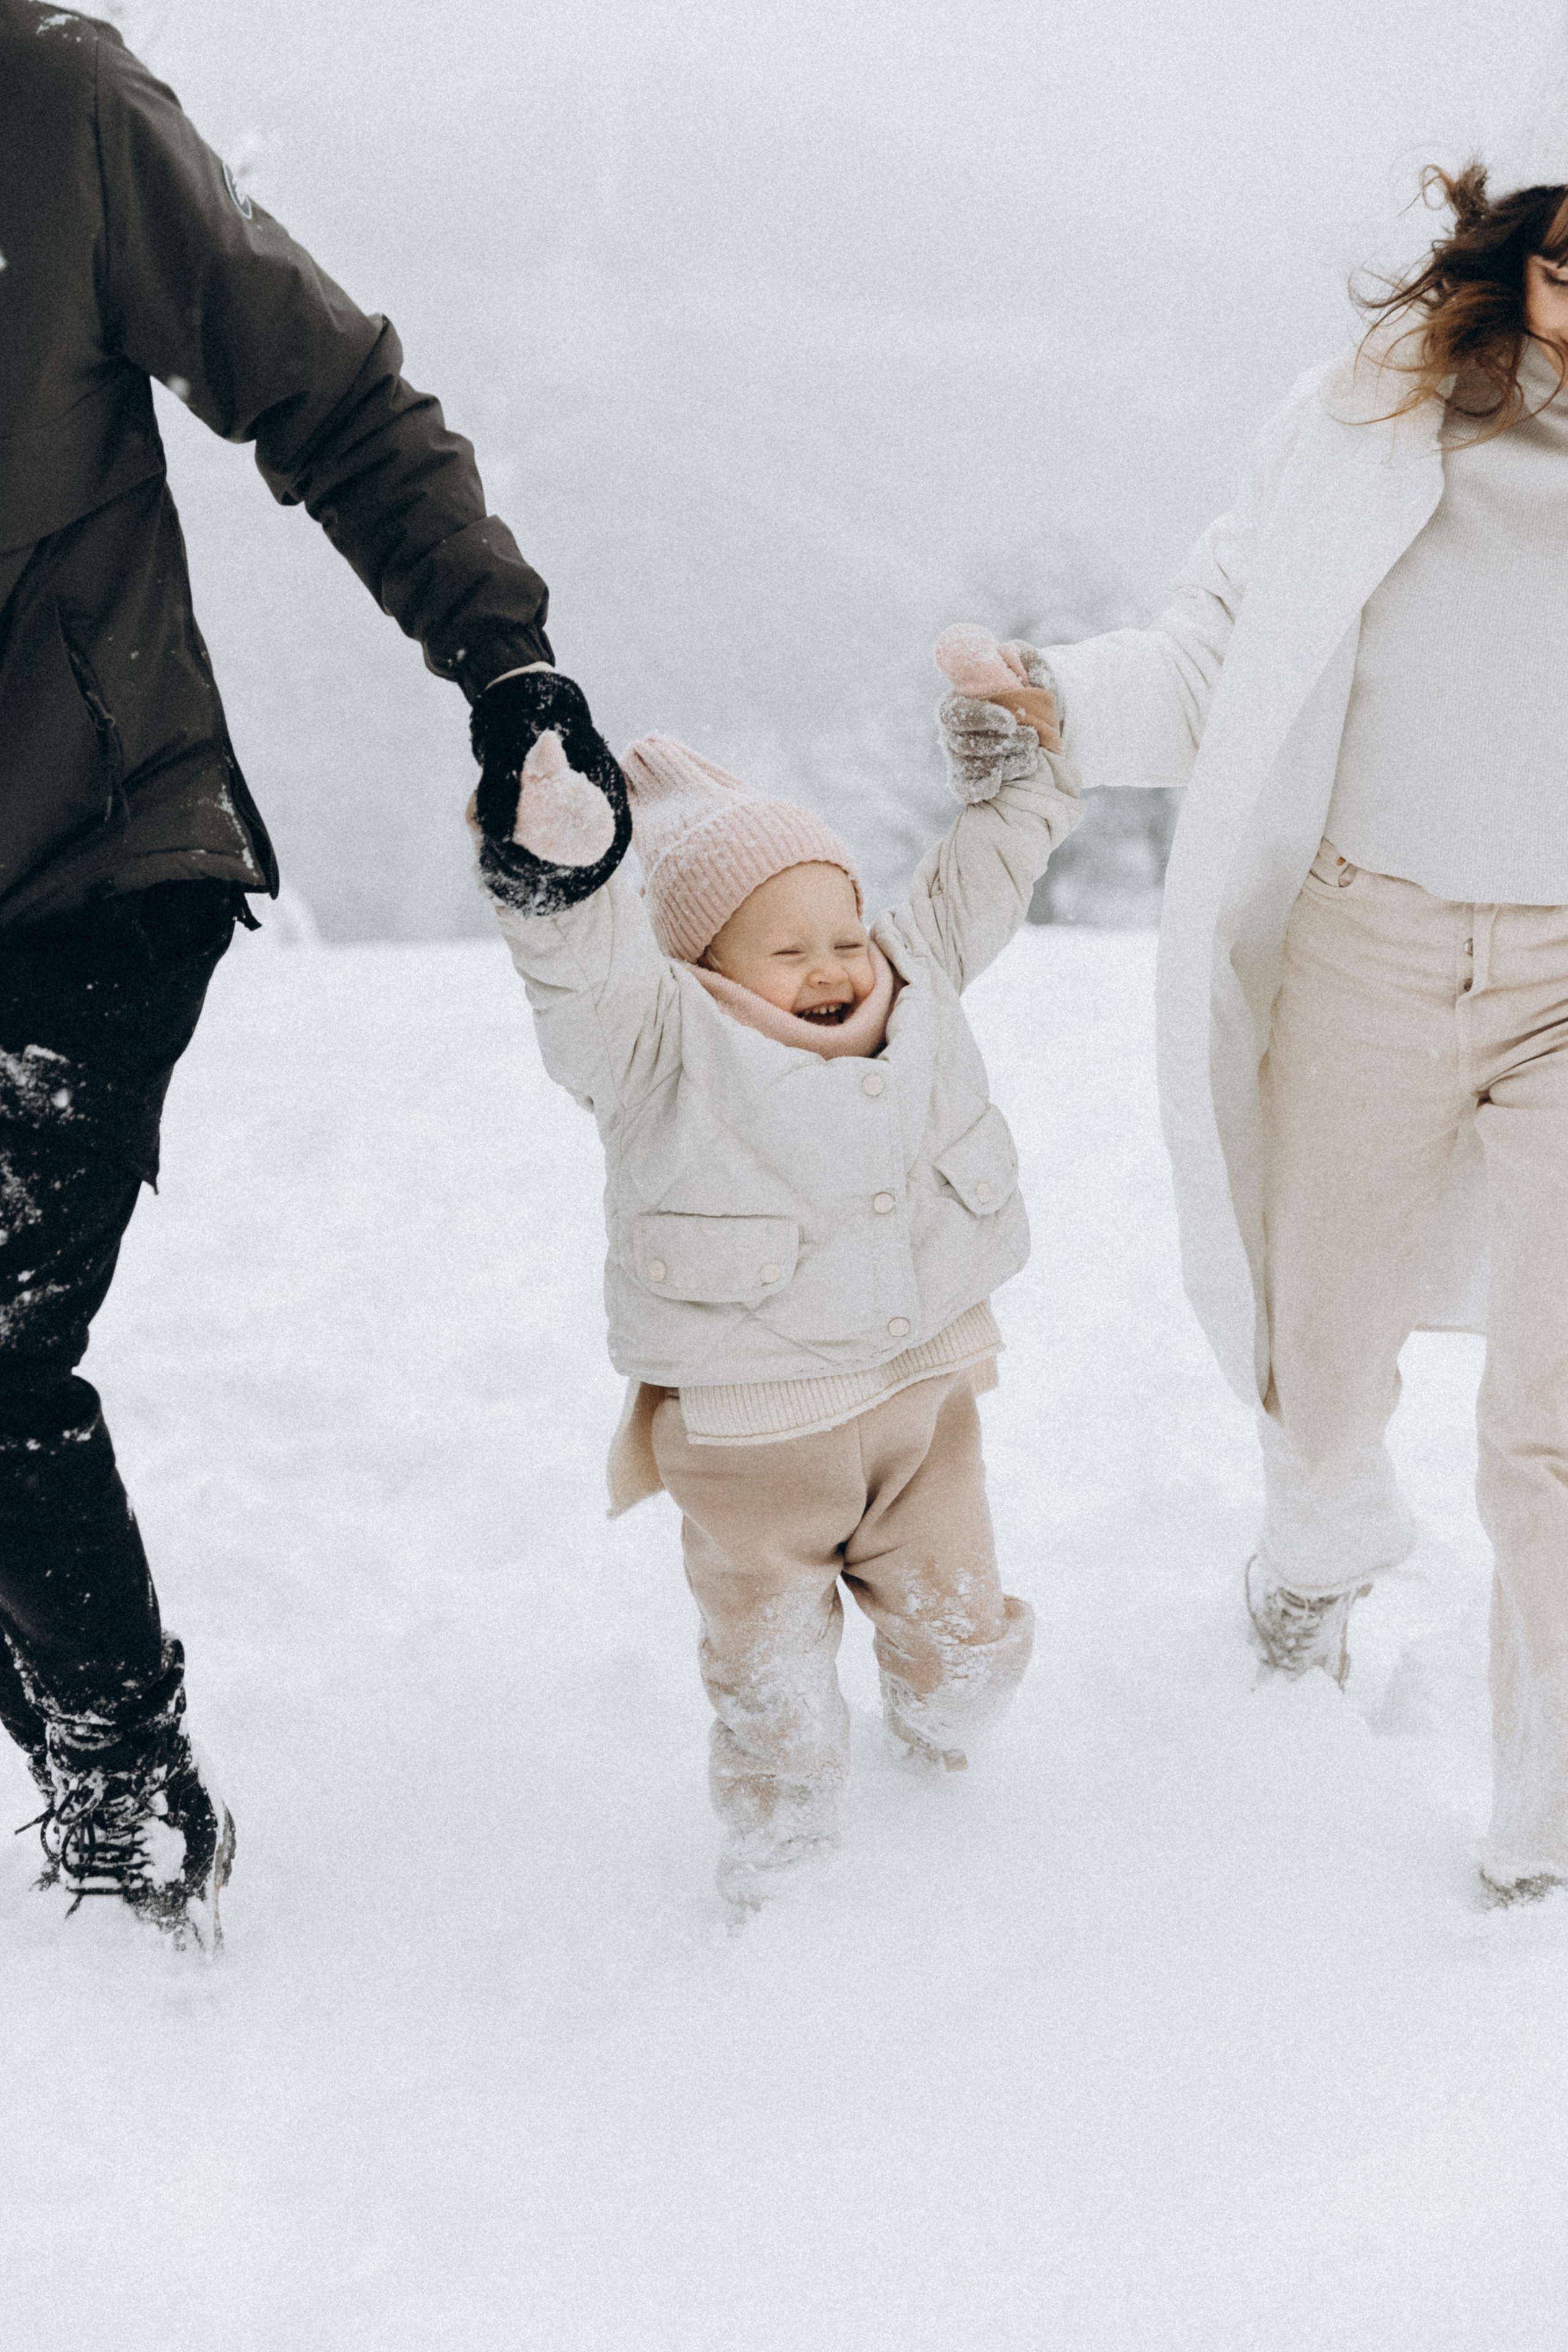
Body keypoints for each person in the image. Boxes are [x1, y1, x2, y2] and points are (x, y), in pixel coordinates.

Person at [0, 1, 619, 1945]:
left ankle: (127, 1800)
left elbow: (331, 398)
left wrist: (505, 666)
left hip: (94, 847)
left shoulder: (53, 102)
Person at [940, 160, 1568, 1907]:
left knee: (1553, 1413)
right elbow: (1217, 663)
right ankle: (1312, 1565)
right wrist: (1058, 702)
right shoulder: (1363, 425)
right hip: (1368, 940)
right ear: (1520, 258)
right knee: (1325, 1335)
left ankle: (1548, 1809)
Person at [467, 665, 1081, 1909]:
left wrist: (1019, 777)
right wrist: (562, 885)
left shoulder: (913, 986)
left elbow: (982, 874)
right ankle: (781, 1881)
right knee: (775, 1704)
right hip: (750, 1454)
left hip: (920, 1418)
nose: (832, 965)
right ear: (703, 964)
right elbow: (582, 978)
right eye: (786, 947)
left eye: (845, 933)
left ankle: (947, 1775)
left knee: (965, 1656)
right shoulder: (655, 1046)